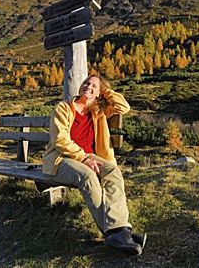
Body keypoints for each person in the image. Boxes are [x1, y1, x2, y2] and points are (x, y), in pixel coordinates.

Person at [42, 74, 144, 255]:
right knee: (87, 176)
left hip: (89, 158)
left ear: (99, 93)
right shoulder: (64, 108)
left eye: (94, 86)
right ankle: (117, 232)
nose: (88, 86)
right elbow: (59, 140)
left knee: (112, 170)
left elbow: (124, 107)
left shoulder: (99, 110)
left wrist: (104, 90)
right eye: (86, 83)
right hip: (62, 159)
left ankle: (118, 231)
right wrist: (84, 158)